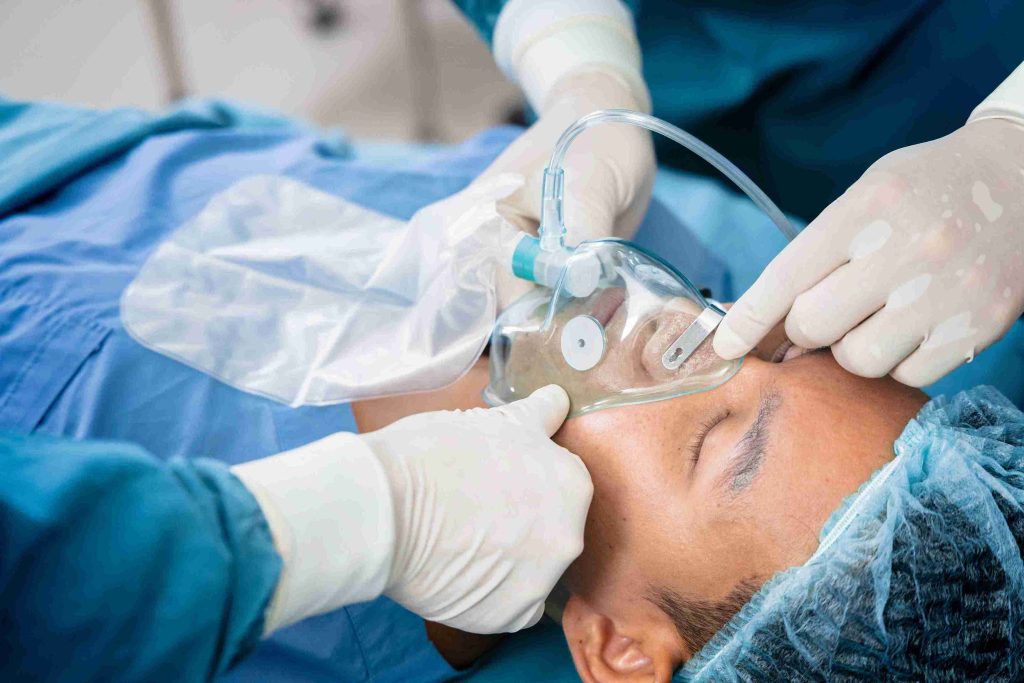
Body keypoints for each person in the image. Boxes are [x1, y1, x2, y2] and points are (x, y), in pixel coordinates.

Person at [0, 100, 597, 682]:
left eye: (698, 449)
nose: (686, 332)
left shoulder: (293, 626)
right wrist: (576, 61)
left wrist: (341, 521)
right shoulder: (592, 223)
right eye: (698, 297)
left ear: (623, 647)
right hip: (83, 149)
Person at [363, 320, 1024, 680]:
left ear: (621, 648)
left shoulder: (310, 613)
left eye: (712, 436)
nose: (698, 328)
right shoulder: (691, 251)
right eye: (787, 349)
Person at [453, 0, 1024, 390]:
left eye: (714, 440)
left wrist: (1010, 145)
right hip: (670, 68)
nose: (673, 323)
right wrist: (580, 63)